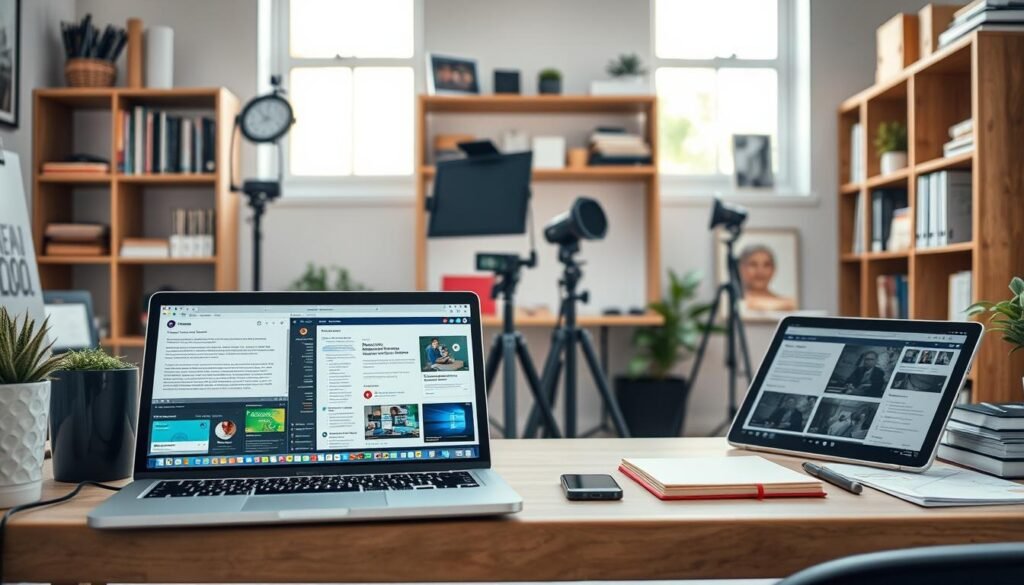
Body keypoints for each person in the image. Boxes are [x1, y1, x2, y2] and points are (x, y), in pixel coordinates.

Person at [737, 244, 797, 312]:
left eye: (766, 265)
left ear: (774, 269)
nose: (760, 271)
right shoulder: (732, 301)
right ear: (741, 268)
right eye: (753, 264)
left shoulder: (789, 302)